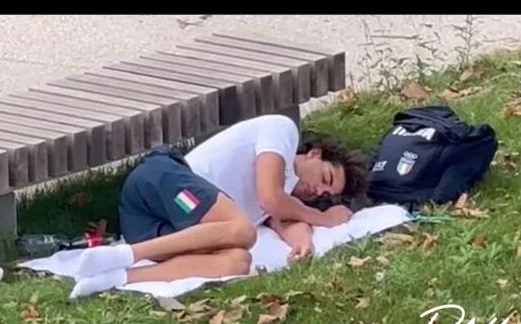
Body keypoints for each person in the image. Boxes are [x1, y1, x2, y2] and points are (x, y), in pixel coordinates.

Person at [70, 114, 369, 297]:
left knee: (237, 261)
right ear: (315, 154)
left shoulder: (287, 195)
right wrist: (323, 217)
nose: (317, 190)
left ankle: (113, 277)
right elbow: (271, 200)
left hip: (161, 231)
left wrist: (304, 244)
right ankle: (123, 255)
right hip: (160, 184)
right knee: (243, 231)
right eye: (325, 177)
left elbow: (284, 219)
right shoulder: (282, 132)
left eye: (323, 194)